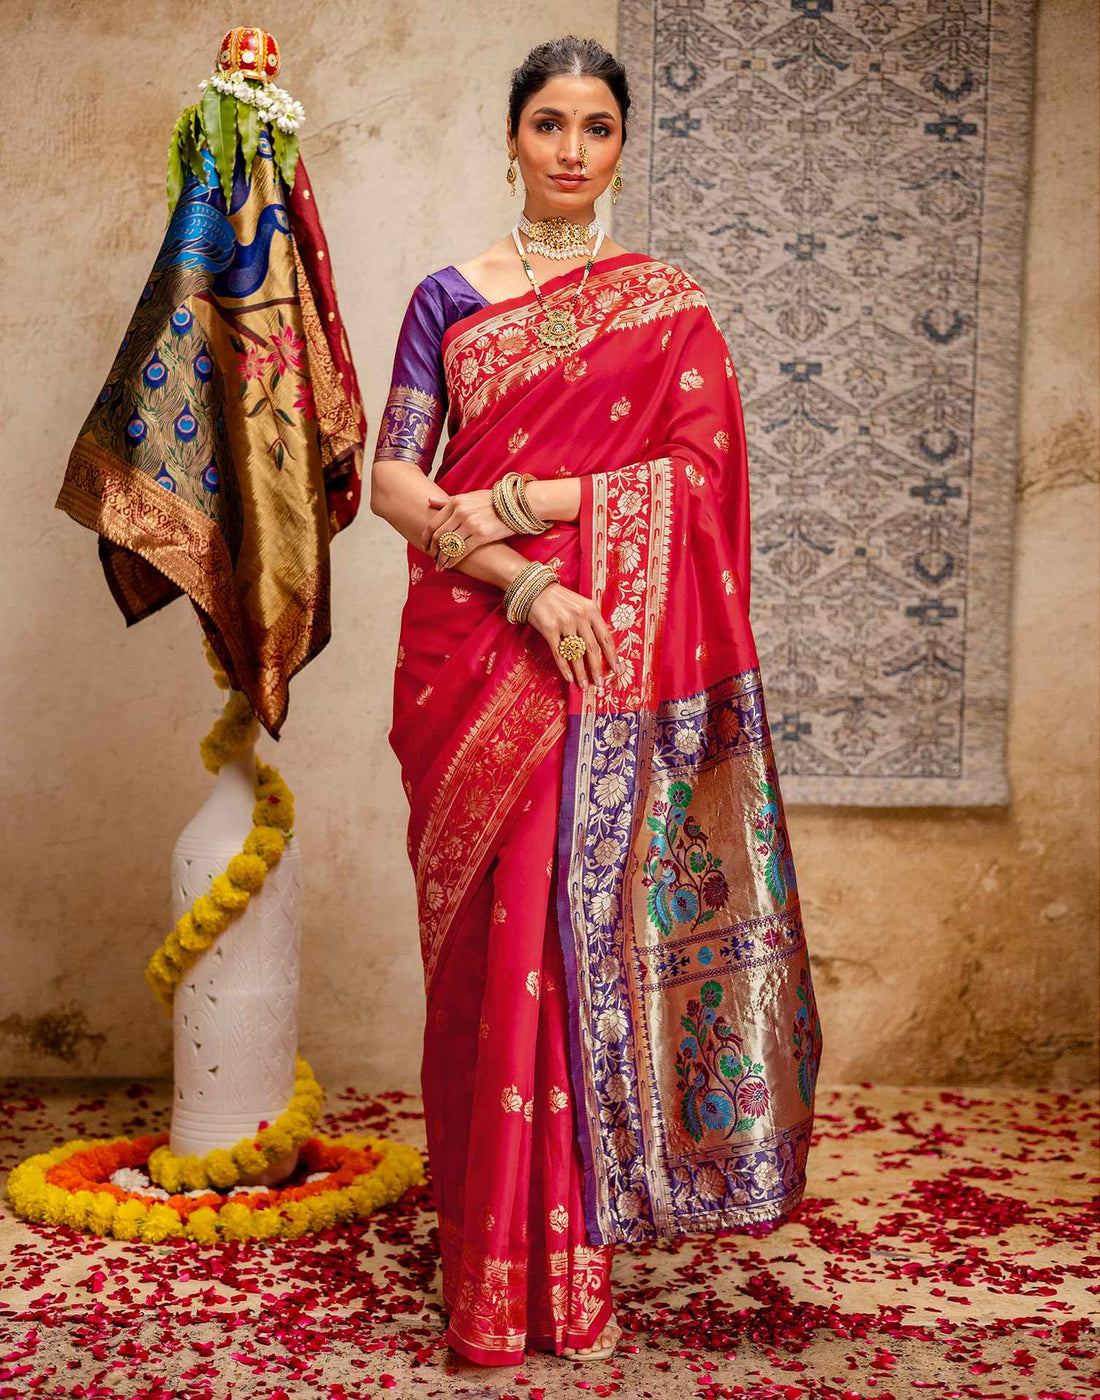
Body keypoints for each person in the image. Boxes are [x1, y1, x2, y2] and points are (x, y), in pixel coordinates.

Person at [369, 34, 824, 1370]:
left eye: (598, 127)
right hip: (481, 645)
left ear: (622, 146)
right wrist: (523, 583)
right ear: (511, 137)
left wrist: (547, 502)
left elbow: (699, 476)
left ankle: (565, 1266)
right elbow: (397, 481)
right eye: (550, 123)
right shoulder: (447, 300)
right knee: (483, 960)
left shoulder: (666, 306)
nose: (572, 149)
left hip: (601, 664)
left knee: (568, 935)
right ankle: (488, 1263)